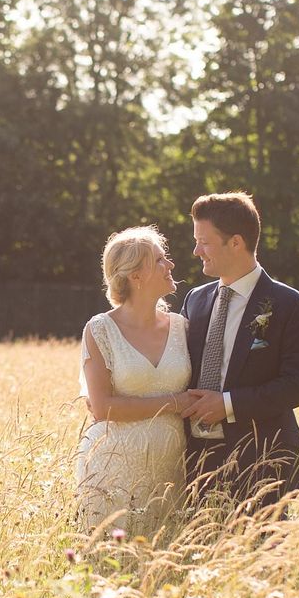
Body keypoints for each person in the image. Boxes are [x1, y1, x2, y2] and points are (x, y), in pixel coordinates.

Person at [180, 192, 299, 511]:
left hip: (262, 464)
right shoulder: (195, 300)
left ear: (236, 243)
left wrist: (227, 405)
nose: (196, 250)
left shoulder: (292, 305)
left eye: (204, 242)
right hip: (196, 465)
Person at [76, 226, 192, 533]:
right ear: (135, 276)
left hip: (170, 470)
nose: (170, 265)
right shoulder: (100, 330)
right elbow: (102, 408)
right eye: (159, 260)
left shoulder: (183, 328)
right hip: (113, 470)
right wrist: (175, 403)